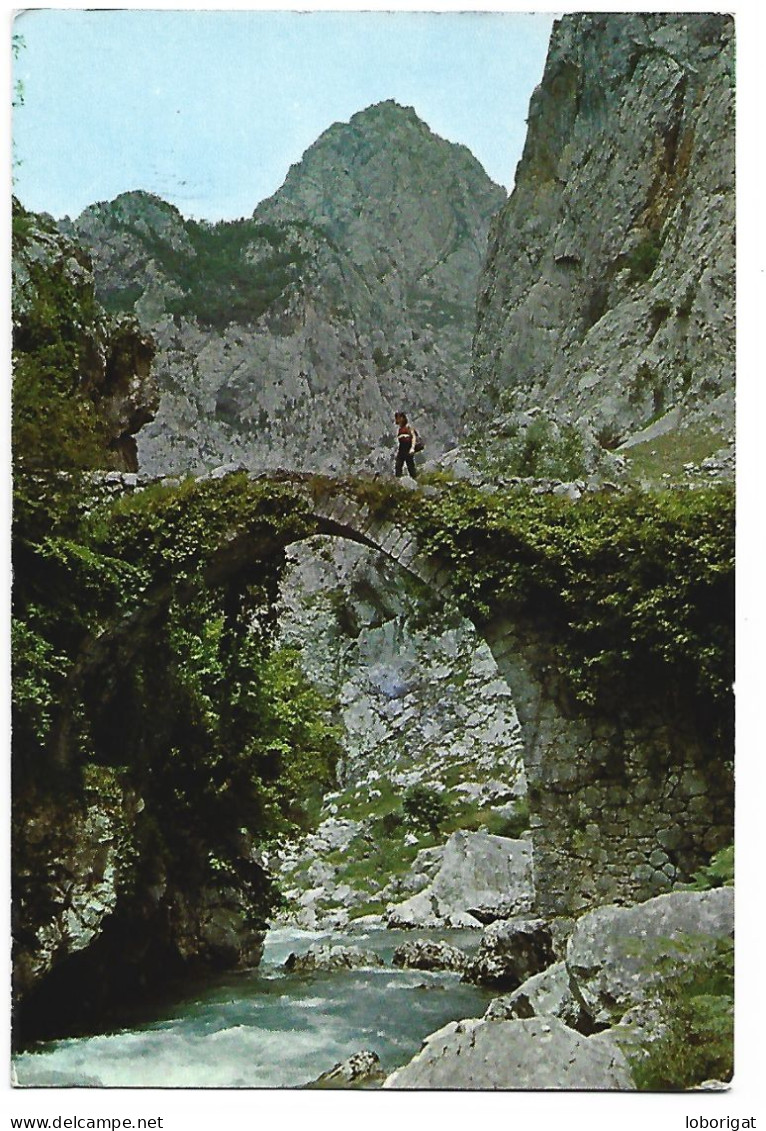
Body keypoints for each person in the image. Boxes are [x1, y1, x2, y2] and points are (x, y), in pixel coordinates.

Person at [394, 411, 418, 479]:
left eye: (398, 418)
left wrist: (412, 448)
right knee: (398, 465)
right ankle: (398, 480)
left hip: (407, 448)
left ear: (402, 418)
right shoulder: (400, 429)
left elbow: (413, 437)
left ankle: (414, 480)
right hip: (401, 449)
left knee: (410, 466)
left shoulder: (408, 427)